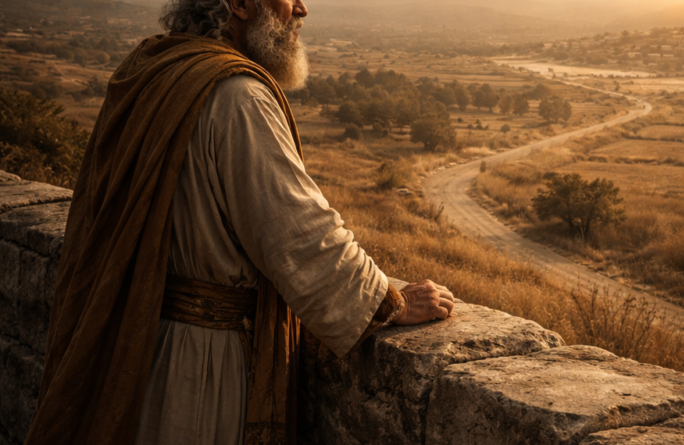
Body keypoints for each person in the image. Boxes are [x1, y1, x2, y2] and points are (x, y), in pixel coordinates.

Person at [24, 0, 455, 444]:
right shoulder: (238, 95)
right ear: (242, 5)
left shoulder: (153, 66)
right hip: (200, 368)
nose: (302, 9)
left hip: (133, 344)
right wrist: (388, 301)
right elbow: (300, 234)